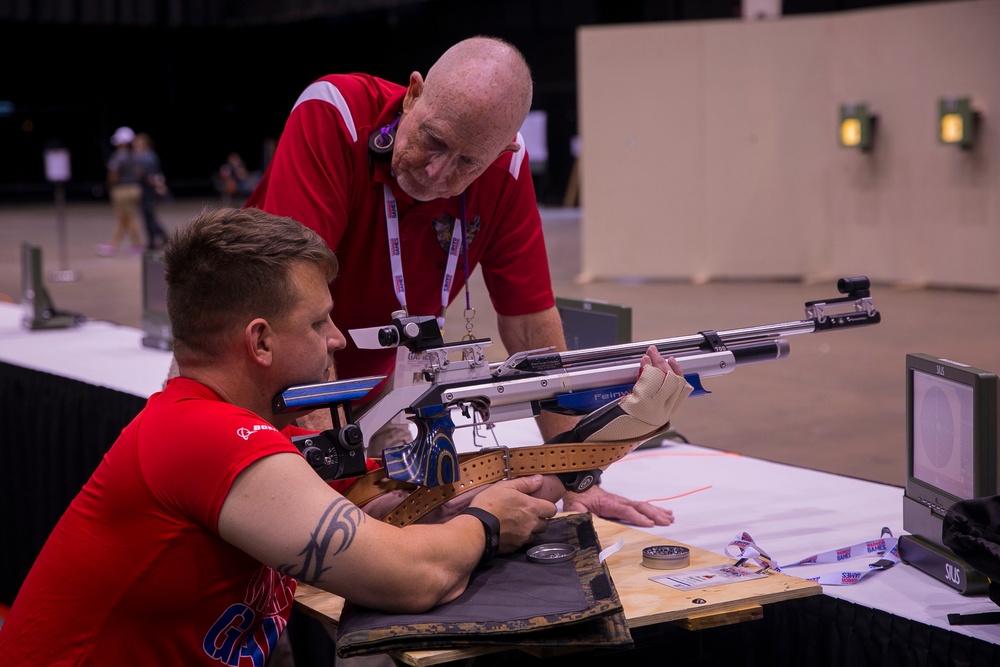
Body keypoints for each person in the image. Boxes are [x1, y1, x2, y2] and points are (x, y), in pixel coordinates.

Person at [0, 207, 689, 665]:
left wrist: (483, 490)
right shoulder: (206, 436)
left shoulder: (230, 422)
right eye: (319, 321)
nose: (337, 338)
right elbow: (411, 575)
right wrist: (485, 520)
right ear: (260, 340)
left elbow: (360, 513)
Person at [246, 35, 674, 527]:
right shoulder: (335, 115)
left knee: (408, 530)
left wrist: (580, 475)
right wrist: (329, 472)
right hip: (264, 378)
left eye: (467, 163)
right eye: (433, 140)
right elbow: (289, 305)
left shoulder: (506, 173)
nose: (436, 172)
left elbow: (532, 328)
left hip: (376, 395)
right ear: (412, 94)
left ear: (503, 150)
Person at [97, 126, 144, 256]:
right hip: (135, 188)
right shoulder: (136, 155)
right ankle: (112, 244)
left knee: (127, 218)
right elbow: (140, 172)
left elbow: (113, 174)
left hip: (122, 189)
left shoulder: (118, 156)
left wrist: (110, 186)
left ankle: (137, 245)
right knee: (123, 218)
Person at [133, 132, 170, 250]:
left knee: (149, 215)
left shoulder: (147, 156)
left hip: (149, 189)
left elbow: (150, 174)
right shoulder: (146, 155)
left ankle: (162, 237)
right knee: (148, 216)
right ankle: (154, 240)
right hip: (146, 189)